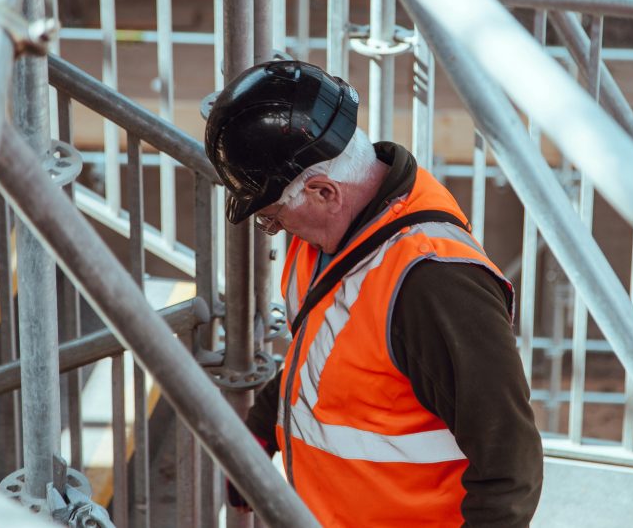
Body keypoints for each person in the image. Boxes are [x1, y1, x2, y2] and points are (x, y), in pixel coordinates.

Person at [205, 59, 543, 526]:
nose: (275, 228)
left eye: (272, 216)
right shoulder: (329, 242)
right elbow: (327, 354)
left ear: (324, 191)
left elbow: (510, 465)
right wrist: (264, 428)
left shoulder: (433, 282)